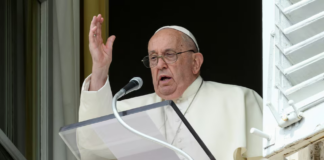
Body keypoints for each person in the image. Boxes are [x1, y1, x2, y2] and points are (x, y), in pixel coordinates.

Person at [77, 14, 264, 160]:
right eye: (153, 58)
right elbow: (91, 145)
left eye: (170, 54)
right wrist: (100, 69)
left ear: (195, 63)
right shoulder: (129, 113)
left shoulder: (239, 100)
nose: (160, 65)